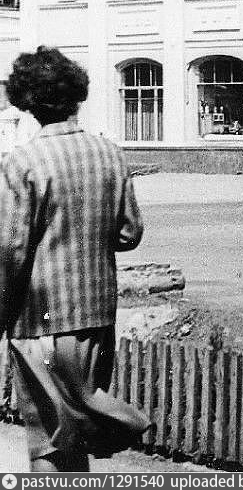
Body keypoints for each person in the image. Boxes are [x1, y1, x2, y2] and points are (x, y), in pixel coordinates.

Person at [0, 47, 150, 472]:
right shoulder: (110, 153)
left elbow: (10, 252)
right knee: (73, 434)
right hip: (97, 315)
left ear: (28, 103)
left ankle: (131, 423)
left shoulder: (22, 162)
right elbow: (129, 233)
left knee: (47, 441)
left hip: (40, 321)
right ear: (75, 95)